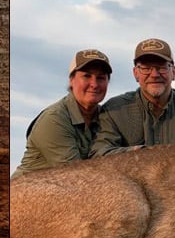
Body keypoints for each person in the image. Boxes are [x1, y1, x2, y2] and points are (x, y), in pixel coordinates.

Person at [90, 38, 175, 157]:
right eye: (146, 68)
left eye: (162, 67)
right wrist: (143, 154)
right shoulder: (113, 111)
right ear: (136, 73)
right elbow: (98, 153)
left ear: (174, 72)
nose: (154, 75)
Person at [12, 49, 113, 178]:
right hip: (27, 193)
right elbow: (76, 176)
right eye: (87, 76)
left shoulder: (106, 116)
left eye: (101, 78)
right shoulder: (54, 119)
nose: (94, 84)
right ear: (71, 80)